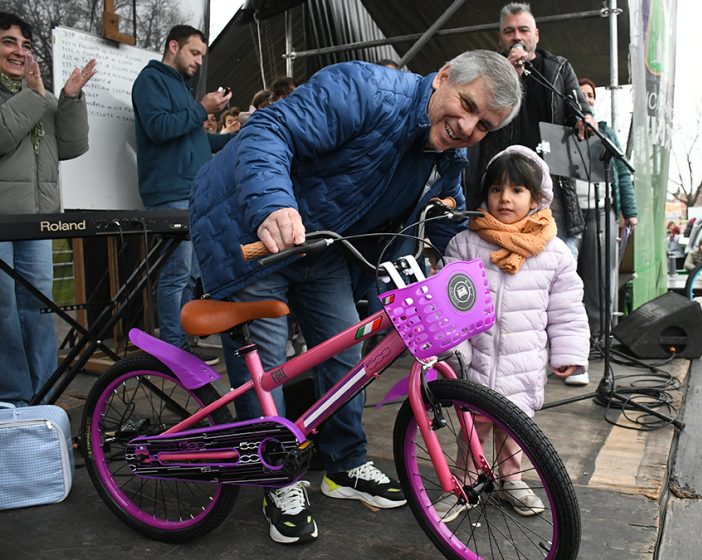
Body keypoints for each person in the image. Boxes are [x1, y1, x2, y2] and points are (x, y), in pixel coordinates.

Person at [189, 50, 523, 544]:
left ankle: (344, 465)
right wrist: (274, 204)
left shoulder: (447, 156)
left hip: (322, 247)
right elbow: (267, 132)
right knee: (266, 359)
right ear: (444, 75)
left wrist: (484, 233)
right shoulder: (366, 91)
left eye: (483, 125)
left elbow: (434, 217)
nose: (467, 126)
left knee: (345, 351)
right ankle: (279, 479)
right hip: (250, 229)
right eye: (467, 105)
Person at [442, 145, 589, 520]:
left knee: (514, 429)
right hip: (474, 358)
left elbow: (567, 309)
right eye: (495, 189)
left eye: (517, 190)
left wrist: (570, 354)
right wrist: (454, 351)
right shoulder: (465, 243)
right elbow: (447, 303)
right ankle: (464, 483)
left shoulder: (553, 253)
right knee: (472, 430)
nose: (504, 198)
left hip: (522, 361)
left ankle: (512, 480)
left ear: (537, 198)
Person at [0, 12, 95, 406]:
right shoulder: (32, 97)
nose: (19, 52)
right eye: (8, 41)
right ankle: (14, 398)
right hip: (2, 224)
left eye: (25, 44)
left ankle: (44, 396)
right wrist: (35, 97)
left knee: (39, 309)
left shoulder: (36, 96)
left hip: (37, 222)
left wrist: (69, 99)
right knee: (2, 312)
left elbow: (71, 146)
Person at [132, 25, 232, 366]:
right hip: (169, 194)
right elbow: (159, 128)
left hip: (191, 193)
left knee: (188, 274)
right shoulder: (150, 81)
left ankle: (183, 345)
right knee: (176, 274)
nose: (199, 62)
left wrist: (242, 132)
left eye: (202, 55)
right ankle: (173, 349)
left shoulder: (179, 88)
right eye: (194, 53)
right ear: (173, 46)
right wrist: (202, 108)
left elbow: (198, 142)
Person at [466, 2, 594, 258]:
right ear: (500, 37)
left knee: (554, 267)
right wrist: (509, 75)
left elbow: (578, 107)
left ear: (536, 34)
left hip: (551, 189)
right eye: (509, 31)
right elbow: (478, 111)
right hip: (502, 185)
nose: (517, 37)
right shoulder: (489, 71)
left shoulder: (557, 69)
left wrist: (585, 118)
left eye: (523, 30)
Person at [573, 77, 638, 366]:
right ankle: (573, 339)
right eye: (580, 95)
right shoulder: (561, 132)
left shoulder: (604, 132)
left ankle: (598, 337)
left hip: (601, 210)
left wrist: (629, 211)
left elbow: (622, 172)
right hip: (570, 212)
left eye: (589, 95)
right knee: (570, 279)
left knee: (599, 277)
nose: (585, 99)